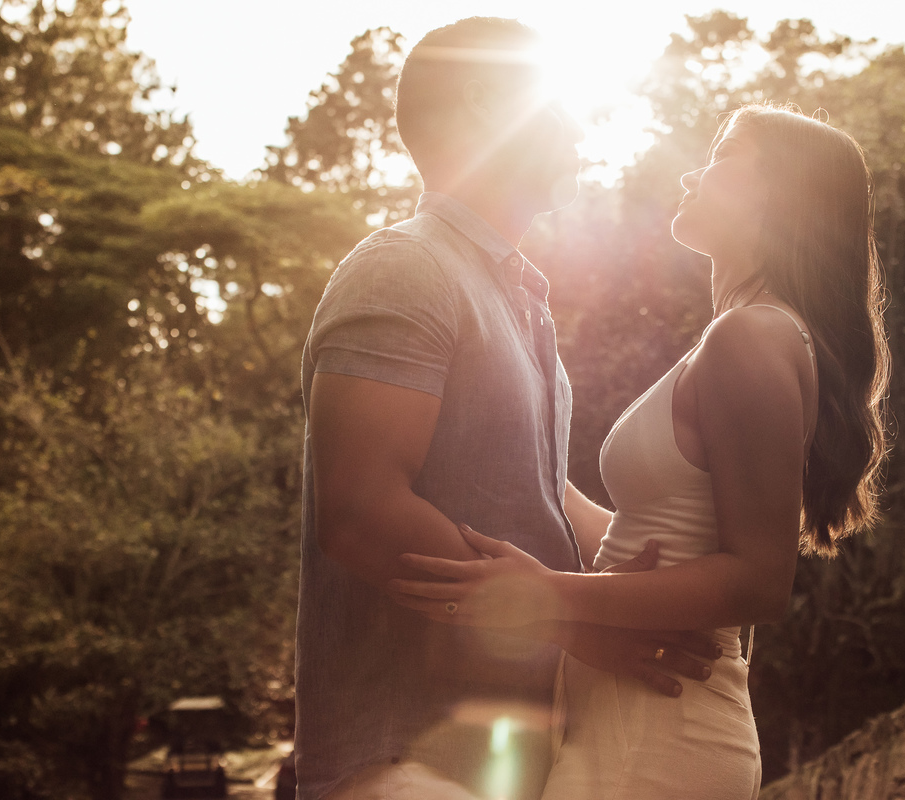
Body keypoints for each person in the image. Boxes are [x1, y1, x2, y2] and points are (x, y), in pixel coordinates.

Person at [390, 104, 891, 799]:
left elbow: (758, 582)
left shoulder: (751, 339)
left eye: (722, 155)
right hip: (629, 709)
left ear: (776, 191)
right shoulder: (744, 336)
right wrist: (515, 456)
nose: (692, 173)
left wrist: (544, 593)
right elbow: (646, 534)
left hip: (665, 726)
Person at [295, 17, 719, 800]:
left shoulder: (520, 300)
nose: (578, 122)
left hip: (511, 760)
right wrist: (575, 624)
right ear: (490, 104)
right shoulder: (403, 266)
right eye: (554, 99)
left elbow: (535, 493)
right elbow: (360, 511)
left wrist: (683, 558)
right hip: (398, 758)